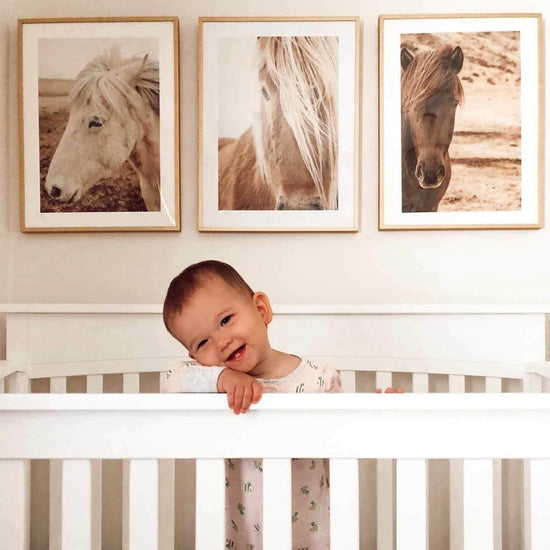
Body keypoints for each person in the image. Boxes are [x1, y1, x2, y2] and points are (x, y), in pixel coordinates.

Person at [162, 260, 342, 550]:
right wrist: (222, 378)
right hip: (240, 535)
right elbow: (170, 381)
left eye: (225, 320)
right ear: (196, 359)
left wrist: (384, 409)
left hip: (310, 532)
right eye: (203, 342)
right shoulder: (212, 386)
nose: (221, 342)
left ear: (261, 309)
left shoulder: (319, 379)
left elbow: (347, 441)